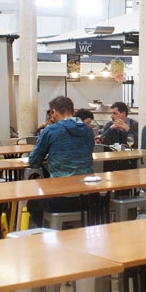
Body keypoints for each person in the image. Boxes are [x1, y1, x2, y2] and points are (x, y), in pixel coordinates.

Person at [27, 96, 95, 226]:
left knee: (32, 203)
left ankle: (53, 230)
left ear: (53, 112)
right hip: (88, 197)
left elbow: (33, 162)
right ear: (73, 111)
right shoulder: (87, 130)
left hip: (60, 200)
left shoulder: (51, 130)